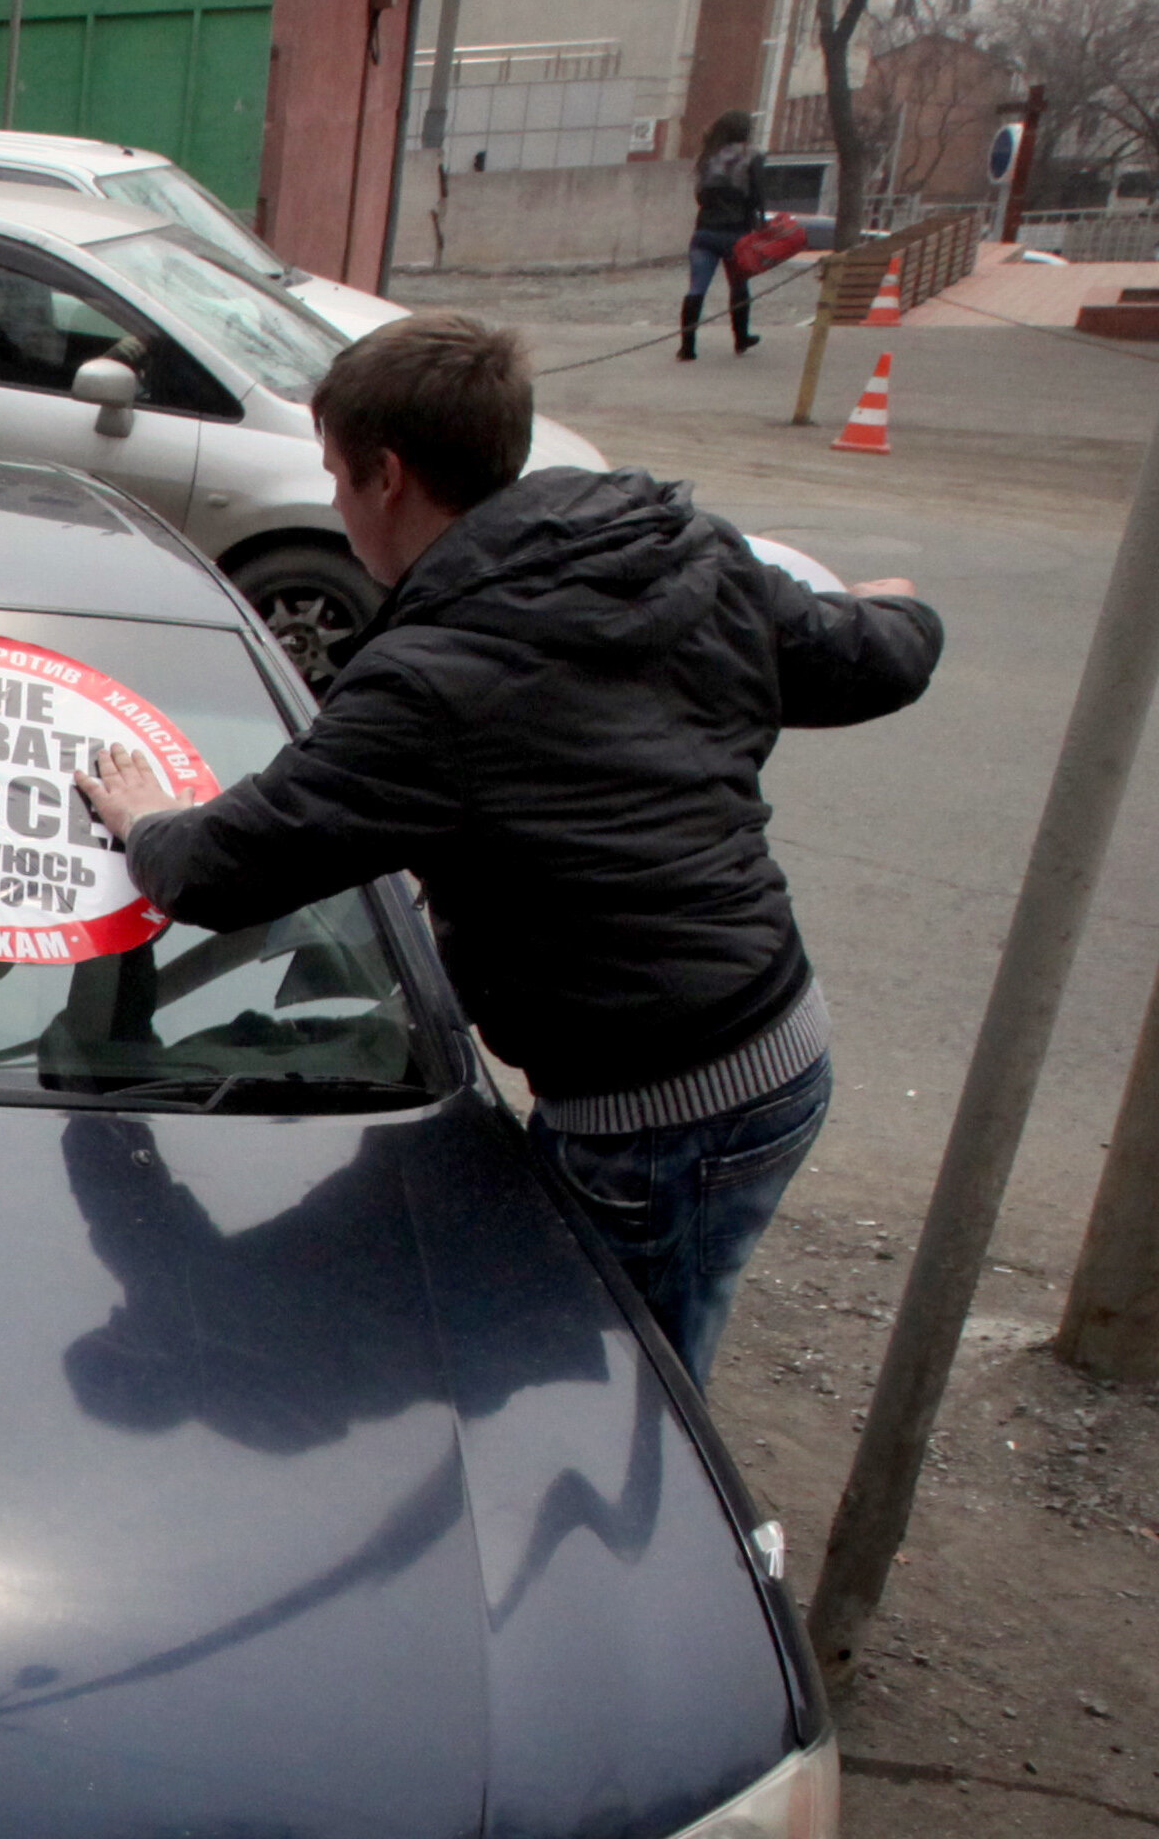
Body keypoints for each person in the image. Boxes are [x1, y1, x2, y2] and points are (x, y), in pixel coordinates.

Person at [73, 312, 941, 1386]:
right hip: (770, 1038)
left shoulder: (432, 682)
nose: (337, 513)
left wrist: (147, 818)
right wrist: (898, 612)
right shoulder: (675, 555)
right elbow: (871, 661)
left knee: (634, 1393)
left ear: (390, 476)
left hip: (664, 1116)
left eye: (339, 480)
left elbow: (224, 866)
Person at [685, 112, 766, 362]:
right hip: (735, 233)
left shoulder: (708, 156)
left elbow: (700, 196)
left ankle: (687, 347)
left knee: (696, 288)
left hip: (705, 231)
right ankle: (741, 338)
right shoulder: (752, 155)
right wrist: (758, 220)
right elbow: (757, 194)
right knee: (739, 285)